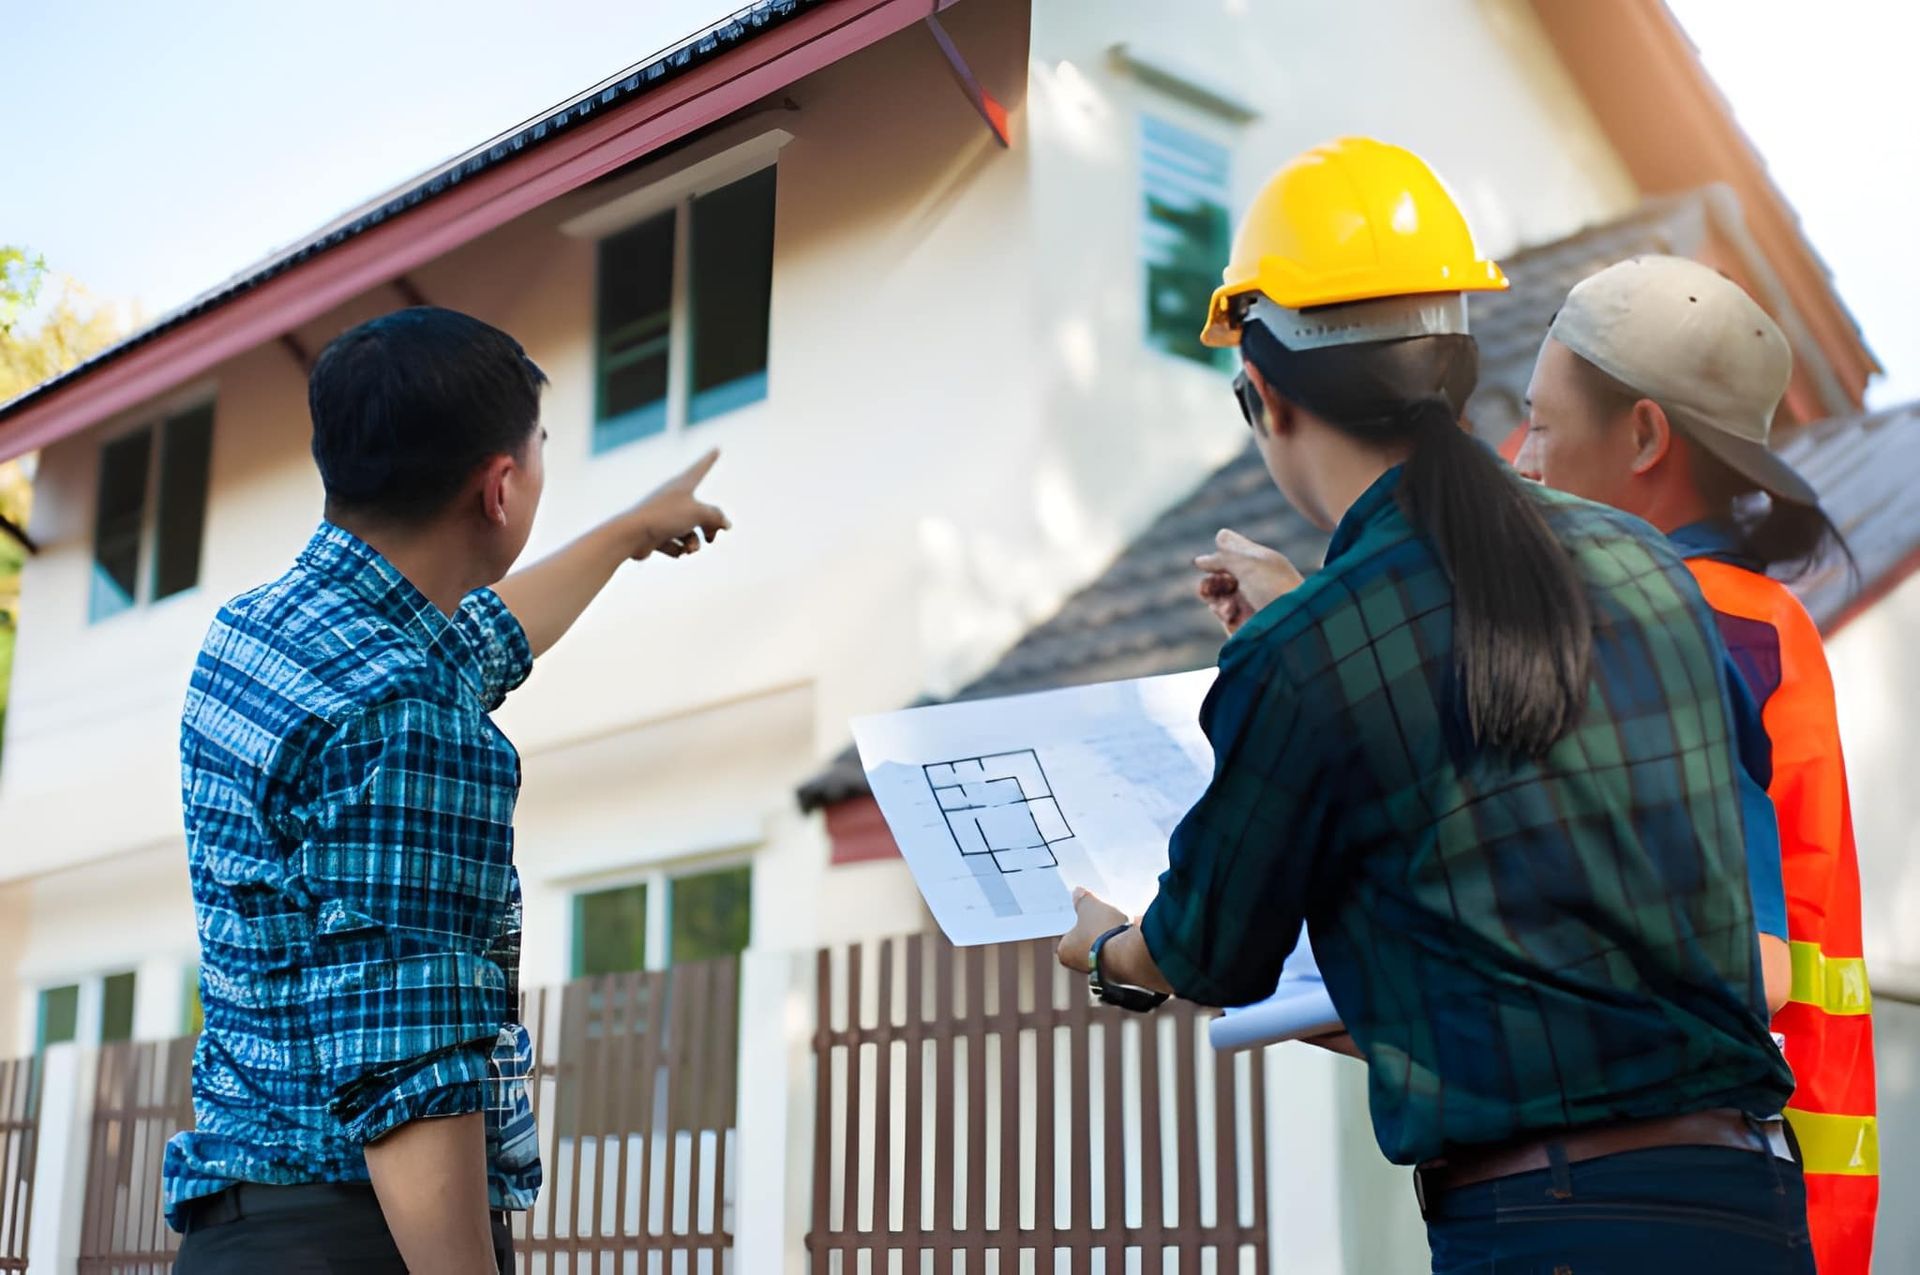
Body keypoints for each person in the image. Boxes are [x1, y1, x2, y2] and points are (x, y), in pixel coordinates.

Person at [1053, 138, 1812, 1272]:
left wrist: (1108, 952)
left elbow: (1210, 950)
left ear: (1260, 394)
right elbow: (1522, 808)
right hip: (1749, 1206)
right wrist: (1309, 620)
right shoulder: (1645, 567)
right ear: (1457, 366)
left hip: (1550, 1228)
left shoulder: (1308, 660)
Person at [163, 306, 730, 1274]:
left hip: (239, 1234)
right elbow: (411, 1076)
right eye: (538, 450)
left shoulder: (258, 635)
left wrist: (631, 531)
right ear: (499, 488)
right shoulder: (410, 715)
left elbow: (478, 638)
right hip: (352, 1242)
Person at [1518, 255, 1877, 1273]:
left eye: (1540, 422)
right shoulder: (1765, 620)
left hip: (1691, 1188)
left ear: (1642, 436)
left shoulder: (1669, 622)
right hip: (1789, 1189)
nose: (1522, 458)